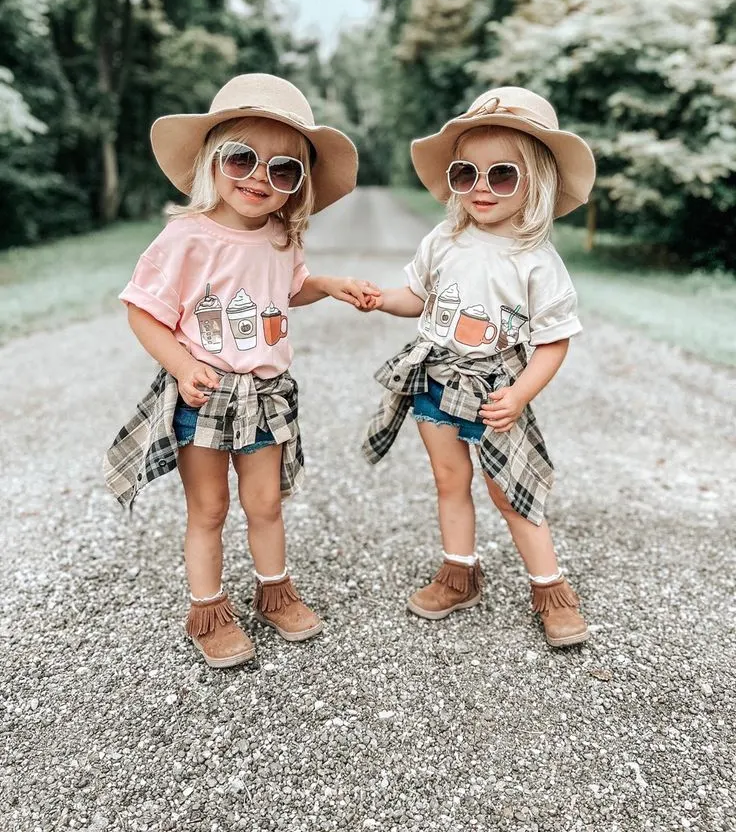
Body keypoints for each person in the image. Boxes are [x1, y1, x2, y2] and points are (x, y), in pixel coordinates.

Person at [105, 74, 378, 667]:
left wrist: (328, 286)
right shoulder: (186, 238)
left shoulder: (282, 237)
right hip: (204, 395)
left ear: (297, 187)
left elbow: (290, 287)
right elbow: (142, 310)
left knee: (266, 503)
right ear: (212, 161)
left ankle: (274, 592)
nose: (260, 176)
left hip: (267, 395)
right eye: (243, 158)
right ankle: (207, 608)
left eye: (283, 169)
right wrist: (180, 365)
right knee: (207, 509)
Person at [363, 86, 596, 647]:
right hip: (435, 379)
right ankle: (459, 571)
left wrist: (519, 395)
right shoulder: (445, 239)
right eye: (467, 174)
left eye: (502, 176)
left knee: (508, 490)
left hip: (496, 391)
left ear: (534, 181)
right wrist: (381, 299)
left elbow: (553, 342)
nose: (482, 188)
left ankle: (550, 587)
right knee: (450, 480)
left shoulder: (535, 259)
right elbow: (418, 298)